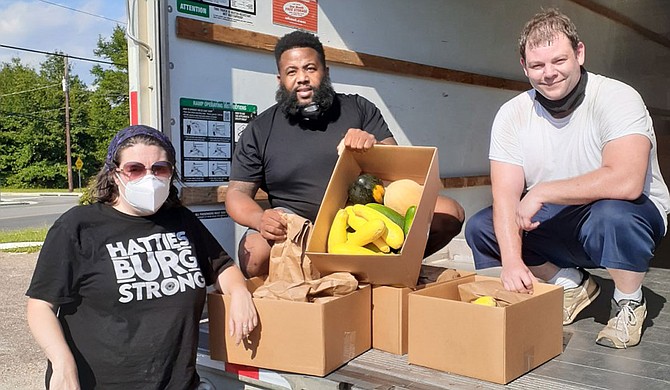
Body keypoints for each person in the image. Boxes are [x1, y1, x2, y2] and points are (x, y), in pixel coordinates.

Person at [465, 9, 670, 349]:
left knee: (614, 214)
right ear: (524, 66)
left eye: (558, 60)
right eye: (537, 65)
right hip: (560, 219)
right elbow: (505, 197)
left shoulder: (617, 97)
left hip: (622, 215)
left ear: (579, 53)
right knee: (483, 228)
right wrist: (513, 262)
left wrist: (544, 191)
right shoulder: (512, 114)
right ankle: (572, 284)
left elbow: (627, 181)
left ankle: (629, 301)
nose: (549, 74)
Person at [26, 125, 258, 389]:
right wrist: (62, 363)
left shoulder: (181, 220)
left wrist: (239, 292)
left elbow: (221, 265)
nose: (149, 177)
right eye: (134, 169)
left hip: (176, 383)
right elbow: (41, 306)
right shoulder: (78, 226)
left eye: (160, 168)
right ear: (114, 174)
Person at [226, 30, 465, 278]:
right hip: (298, 231)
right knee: (253, 254)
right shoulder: (260, 128)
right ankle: (304, 277)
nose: (302, 78)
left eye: (310, 68)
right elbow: (237, 193)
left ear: (326, 72)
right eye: (292, 72)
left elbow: (397, 163)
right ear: (280, 80)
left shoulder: (358, 108)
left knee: (449, 213)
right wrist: (260, 219)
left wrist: (373, 146)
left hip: (365, 223)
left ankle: (390, 268)